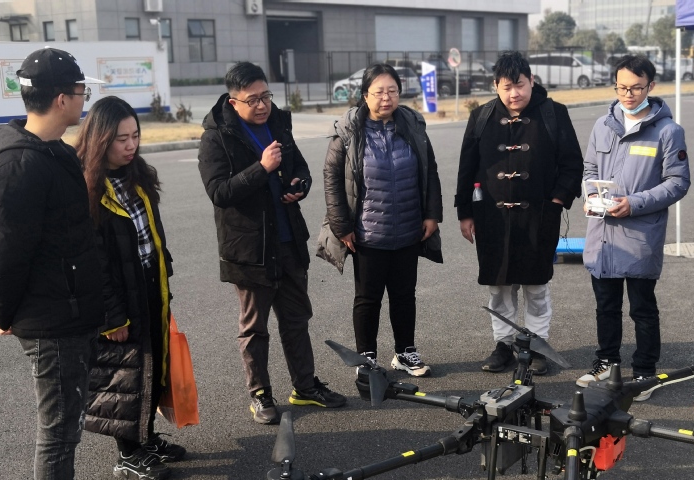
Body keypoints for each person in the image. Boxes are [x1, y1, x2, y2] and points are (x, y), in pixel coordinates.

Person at [0, 48, 127, 480]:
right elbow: (8, 248)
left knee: (68, 420)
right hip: (49, 319)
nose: (84, 99)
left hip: (70, 309)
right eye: (80, 92)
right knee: (57, 428)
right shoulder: (21, 163)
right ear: (60, 99)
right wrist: (3, 312)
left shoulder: (51, 152)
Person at [198, 61, 346, 425]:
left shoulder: (278, 122)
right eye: (253, 99)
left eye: (266, 96)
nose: (262, 105)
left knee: (296, 319)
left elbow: (300, 167)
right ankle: (260, 394)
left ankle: (305, 387)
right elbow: (219, 192)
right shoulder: (216, 137)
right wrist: (261, 168)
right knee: (254, 328)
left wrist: (300, 185)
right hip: (249, 249)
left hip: (288, 240)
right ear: (233, 102)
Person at [74, 97, 184, 480]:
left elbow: (153, 234)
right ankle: (128, 453)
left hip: (149, 284)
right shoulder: (86, 187)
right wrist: (111, 316)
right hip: (118, 299)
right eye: (121, 139)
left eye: (135, 135)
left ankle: (146, 437)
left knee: (152, 364)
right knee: (124, 374)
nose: (131, 145)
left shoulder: (138, 175)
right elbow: (93, 263)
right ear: (100, 139)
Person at [455, 51, 583, 375]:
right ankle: (504, 345)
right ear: (496, 85)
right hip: (491, 218)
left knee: (536, 285)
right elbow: (466, 167)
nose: (515, 93)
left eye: (520, 85)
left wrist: (557, 201)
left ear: (532, 81)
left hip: (539, 215)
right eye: (507, 86)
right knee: (499, 286)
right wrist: (465, 212)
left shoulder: (553, 113)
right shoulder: (481, 116)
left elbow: (572, 164)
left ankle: (537, 344)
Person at [318, 63, 443, 376]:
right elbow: (332, 179)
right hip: (367, 234)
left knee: (404, 296)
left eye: (392, 91)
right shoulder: (348, 132)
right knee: (368, 298)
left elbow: (430, 171)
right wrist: (341, 227)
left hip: (409, 229)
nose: (386, 98)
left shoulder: (413, 125)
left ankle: (405, 352)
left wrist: (432, 215)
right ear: (365, 95)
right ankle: (367, 359)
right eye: (379, 92)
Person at [577, 55, 690, 398]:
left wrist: (634, 203)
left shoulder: (668, 131)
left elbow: (677, 182)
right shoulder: (603, 125)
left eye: (636, 88)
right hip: (603, 234)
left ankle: (644, 373)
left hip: (641, 233)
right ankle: (606, 362)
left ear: (650, 86)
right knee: (606, 305)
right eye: (622, 87)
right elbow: (589, 170)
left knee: (642, 308)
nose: (628, 94)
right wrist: (590, 195)